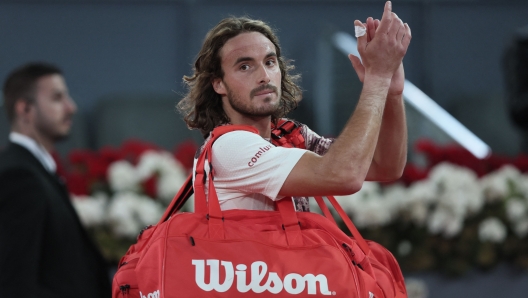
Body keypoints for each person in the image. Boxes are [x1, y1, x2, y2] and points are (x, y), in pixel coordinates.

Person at [178, 1, 411, 211]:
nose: (264, 76)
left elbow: (385, 167)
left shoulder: (290, 136)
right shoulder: (229, 147)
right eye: (245, 67)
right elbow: (344, 176)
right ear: (218, 84)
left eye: (270, 62)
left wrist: (392, 92)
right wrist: (377, 79)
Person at [0, 62, 111, 297]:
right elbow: (15, 284)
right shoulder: (18, 177)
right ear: (25, 110)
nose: (71, 107)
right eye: (57, 98)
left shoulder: (35, 170)